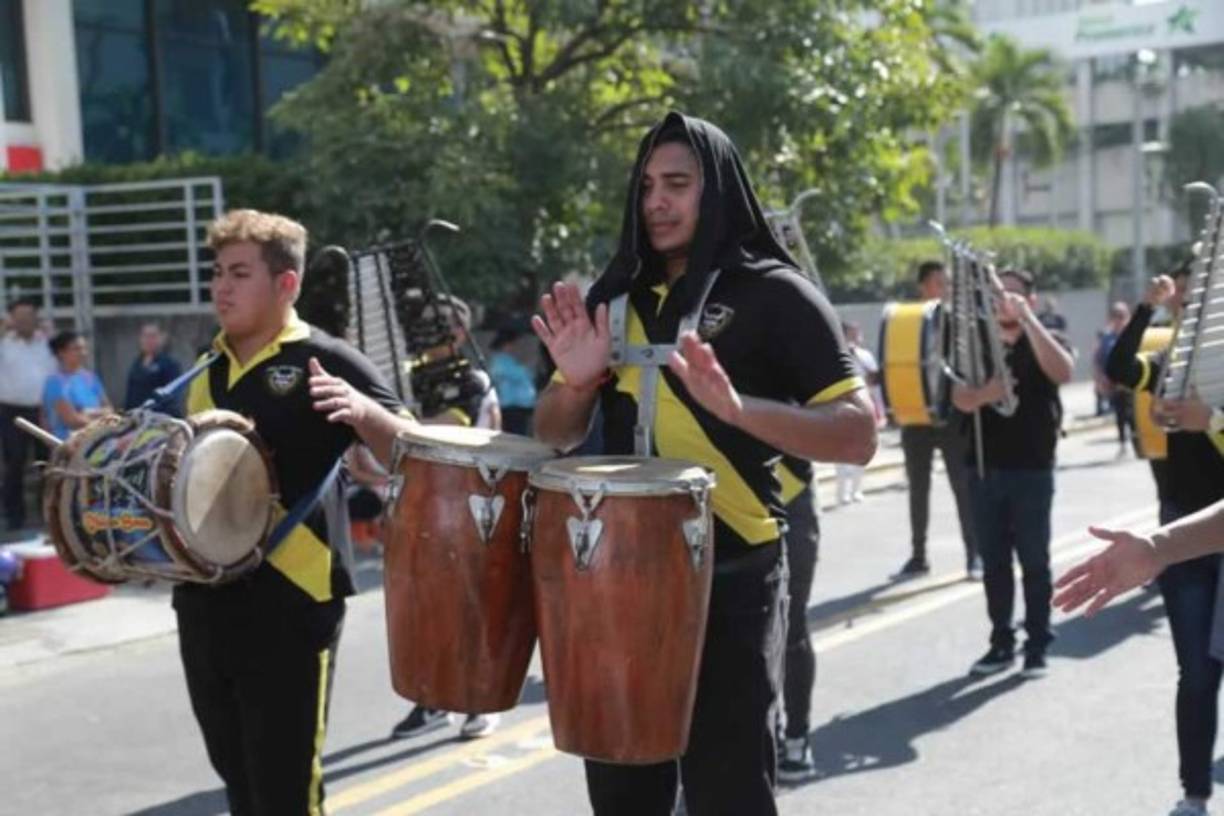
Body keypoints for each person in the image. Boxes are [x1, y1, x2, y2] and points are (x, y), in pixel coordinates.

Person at [530, 112, 877, 815]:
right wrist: (575, 383)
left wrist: (738, 409)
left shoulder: (775, 292)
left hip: (735, 571)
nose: (656, 201)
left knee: (729, 794)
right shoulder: (611, 298)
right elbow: (552, 437)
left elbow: (858, 434)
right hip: (615, 580)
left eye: (677, 184)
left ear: (715, 189)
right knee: (625, 795)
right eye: (647, 185)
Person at [174, 208, 413, 815]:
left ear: (287, 284)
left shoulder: (325, 359)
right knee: (239, 783)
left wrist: (364, 412)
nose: (221, 287)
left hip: (290, 598)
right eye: (217, 272)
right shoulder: (208, 367)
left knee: (285, 790)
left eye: (239, 273)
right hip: (204, 598)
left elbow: (417, 453)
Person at [1100, 269, 1224, 816]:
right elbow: (1121, 368)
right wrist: (1147, 309)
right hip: (1180, 529)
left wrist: (1213, 418)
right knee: (1195, 671)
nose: (1193, 297)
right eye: (1189, 290)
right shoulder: (1174, 354)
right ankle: (1195, 793)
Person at [390, 293, 505, 742]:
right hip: (419, 507)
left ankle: (482, 701)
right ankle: (432, 699)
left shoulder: (471, 379)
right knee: (422, 612)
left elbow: (435, 431)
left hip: (471, 506)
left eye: (440, 323)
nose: (427, 329)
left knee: (471, 610)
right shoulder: (411, 378)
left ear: (459, 333)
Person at [952, 268, 1074, 679]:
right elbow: (959, 399)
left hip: (1033, 470)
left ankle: (1037, 643)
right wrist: (985, 394)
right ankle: (1000, 642)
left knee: (1035, 561)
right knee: (995, 564)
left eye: (1014, 294)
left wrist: (1029, 322)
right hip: (984, 469)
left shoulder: (1046, 337)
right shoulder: (975, 344)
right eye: (998, 293)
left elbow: (1063, 371)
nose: (1004, 300)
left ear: (1031, 300)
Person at [897, 260, 980, 579]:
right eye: (937, 283)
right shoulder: (907, 322)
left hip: (951, 418)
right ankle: (918, 555)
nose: (944, 289)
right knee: (918, 489)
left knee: (963, 487)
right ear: (923, 285)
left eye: (947, 283)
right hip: (915, 418)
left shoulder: (957, 323)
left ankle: (974, 555)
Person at [775, 456, 821, 783]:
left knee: (790, 626)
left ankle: (796, 736)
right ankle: (763, 734)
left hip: (788, 495)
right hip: (724, 504)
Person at [0, 298, 56, 531]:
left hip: (42, 410)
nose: (24, 321)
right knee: (15, 462)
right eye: (19, 316)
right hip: (10, 410)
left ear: (36, 318)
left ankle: (47, 515)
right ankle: (14, 517)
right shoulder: (4, 342)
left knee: (47, 463)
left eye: (29, 315)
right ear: (12, 319)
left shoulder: (47, 343)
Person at [835, 322, 882, 504]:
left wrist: (880, 409)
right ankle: (842, 492)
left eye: (857, 333)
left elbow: (874, 381)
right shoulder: (838, 355)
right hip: (842, 408)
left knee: (863, 450)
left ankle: (856, 490)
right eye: (851, 334)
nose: (855, 337)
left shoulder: (865, 356)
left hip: (864, 407)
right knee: (840, 453)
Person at [42, 331, 111, 441]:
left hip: (98, 441)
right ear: (61, 352)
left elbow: (109, 410)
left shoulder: (90, 377)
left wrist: (87, 412)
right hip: (70, 445)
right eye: (77, 349)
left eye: (84, 348)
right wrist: (101, 420)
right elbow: (73, 421)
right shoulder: (54, 383)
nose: (83, 353)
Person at [1092, 302, 1132, 453]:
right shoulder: (1107, 339)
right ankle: (1123, 443)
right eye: (1115, 316)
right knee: (1120, 413)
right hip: (1116, 384)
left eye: (1122, 316)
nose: (1119, 320)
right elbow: (1098, 361)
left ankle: (1137, 440)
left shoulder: (1134, 334)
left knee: (1133, 415)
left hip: (1135, 382)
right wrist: (1099, 380)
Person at [123, 323, 184, 415]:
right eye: (145, 336)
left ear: (161, 338)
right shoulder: (136, 364)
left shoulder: (170, 364)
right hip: (136, 418)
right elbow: (130, 396)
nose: (148, 340)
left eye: (153, 336)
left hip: (161, 418)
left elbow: (173, 396)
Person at [488, 328, 537, 435]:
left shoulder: (508, 360)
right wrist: (526, 369)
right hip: (512, 406)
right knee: (515, 434)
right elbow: (519, 375)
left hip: (520, 407)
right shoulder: (500, 360)